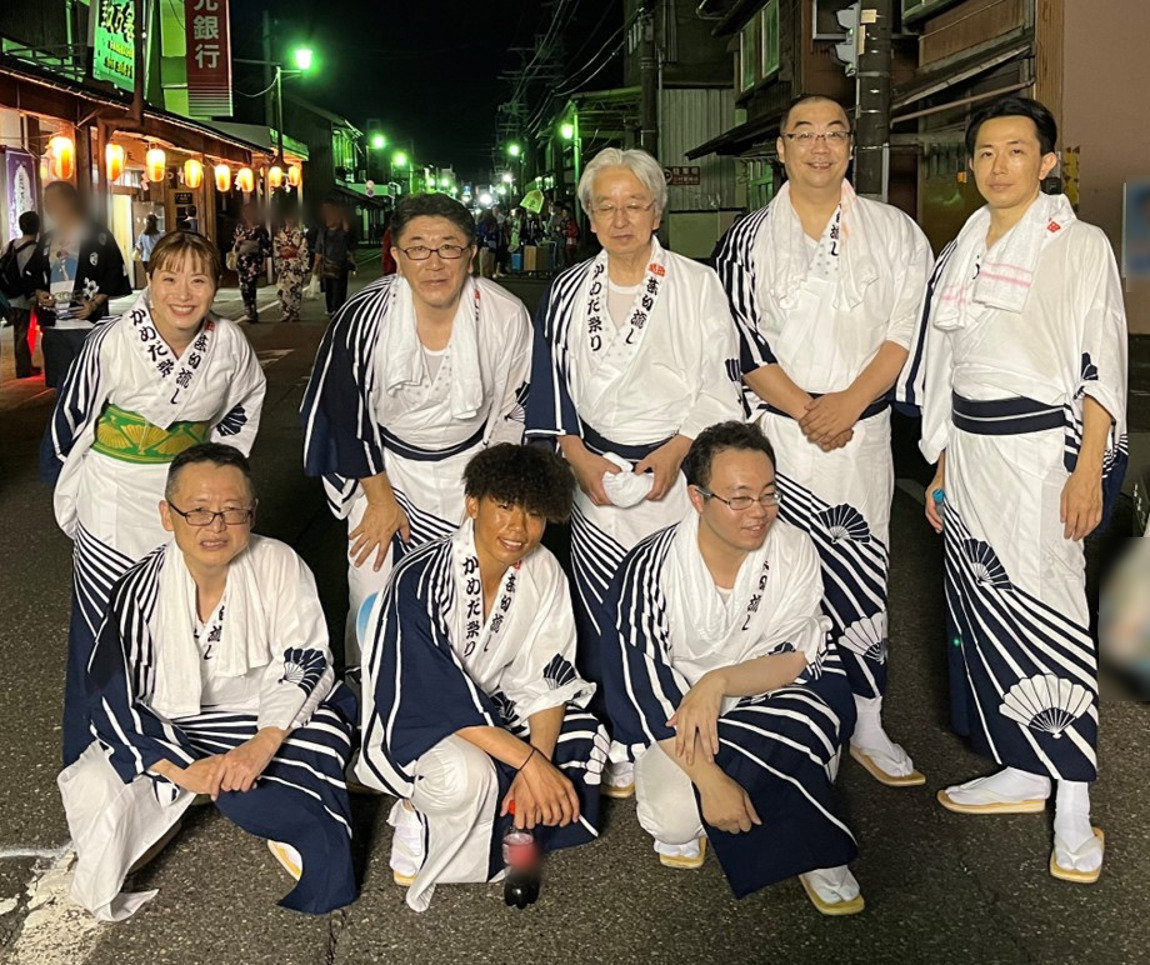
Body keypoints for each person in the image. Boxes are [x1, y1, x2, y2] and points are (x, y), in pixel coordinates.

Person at [900, 96, 1127, 883]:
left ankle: (1073, 807)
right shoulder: (962, 245)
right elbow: (946, 367)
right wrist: (941, 465)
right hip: (971, 455)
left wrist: (1087, 468)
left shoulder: (1079, 244)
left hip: (1041, 457)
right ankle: (1025, 767)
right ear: (972, 166)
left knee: (1053, 615)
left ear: (1048, 161)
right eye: (987, 153)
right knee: (987, 610)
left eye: (1017, 150)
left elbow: (1104, 360)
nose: (1000, 166)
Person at [713, 94, 932, 788]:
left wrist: (850, 403)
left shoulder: (896, 232)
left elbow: (905, 331)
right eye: (803, 134)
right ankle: (781, 714)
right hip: (780, 435)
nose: (819, 146)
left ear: (850, 148)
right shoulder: (744, 240)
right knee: (772, 574)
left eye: (834, 134)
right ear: (780, 148)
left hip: (860, 433)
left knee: (863, 573)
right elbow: (745, 346)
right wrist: (811, 410)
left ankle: (867, 718)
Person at [58, 444, 357, 921]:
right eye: (197, 511)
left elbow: (306, 658)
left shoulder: (278, 562)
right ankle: (182, 800)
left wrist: (262, 744)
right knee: (96, 788)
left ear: (252, 513)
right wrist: (179, 770)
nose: (215, 526)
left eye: (231, 510)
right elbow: (113, 697)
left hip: (260, 716)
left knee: (322, 732)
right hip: (173, 724)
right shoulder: (138, 588)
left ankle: (266, 811)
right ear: (167, 514)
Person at [525, 147, 743, 797]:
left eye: (634, 204)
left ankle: (679, 726)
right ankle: (620, 731)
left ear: (656, 211)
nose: (620, 219)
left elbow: (720, 379)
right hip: (594, 471)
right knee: (601, 607)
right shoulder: (567, 289)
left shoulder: (697, 284)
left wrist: (679, 450)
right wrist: (575, 454)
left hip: (674, 468)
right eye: (606, 207)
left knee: (676, 599)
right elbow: (549, 385)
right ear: (590, 218)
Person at [601, 422, 862, 914]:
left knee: (809, 725)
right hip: (679, 709)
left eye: (769, 494)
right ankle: (733, 803)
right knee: (674, 819)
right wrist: (711, 781)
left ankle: (812, 844)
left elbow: (797, 656)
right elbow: (642, 686)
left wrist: (717, 681)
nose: (758, 512)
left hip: (767, 690)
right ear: (697, 499)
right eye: (739, 498)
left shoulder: (794, 549)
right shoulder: (649, 568)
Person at [42, 230, 267, 765]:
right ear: (150, 280)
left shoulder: (229, 343)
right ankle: (96, 759)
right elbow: (70, 422)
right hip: (116, 496)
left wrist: (214, 479)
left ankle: (174, 754)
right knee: (103, 628)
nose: (183, 293)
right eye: (170, 278)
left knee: (182, 621)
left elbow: (244, 404)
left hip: (188, 500)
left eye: (199, 279)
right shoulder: (112, 340)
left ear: (216, 284)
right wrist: (77, 490)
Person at [357, 444, 607, 912]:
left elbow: (547, 674)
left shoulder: (543, 570)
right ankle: (414, 809)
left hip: (492, 704)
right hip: (414, 715)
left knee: (582, 734)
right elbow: (429, 693)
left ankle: (518, 831)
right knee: (465, 776)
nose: (518, 527)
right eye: (505, 506)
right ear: (472, 504)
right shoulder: (421, 576)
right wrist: (529, 763)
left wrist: (537, 762)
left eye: (534, 513)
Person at [301, 193, 531, 668]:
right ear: (397, 256)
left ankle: (466, 696)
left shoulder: (505, 315)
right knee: (373, 592)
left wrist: (488, 494)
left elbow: (516, 411)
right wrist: (380, 500)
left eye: (449, 247)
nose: (434, 262)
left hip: (473, 470)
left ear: (471, 253)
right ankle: (375, 693)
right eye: (419, 248)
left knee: (471, 596)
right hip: (383, 472)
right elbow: (341, 413)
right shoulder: (363, 317)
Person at [27, 180, 131, 388]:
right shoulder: (47, 239)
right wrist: (39, 293)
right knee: (61, 385)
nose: (48, 208)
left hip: (87, 323)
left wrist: (95, 303)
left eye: (52, 201)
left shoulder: (98, 235)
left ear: (69, 201)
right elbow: (33, 272)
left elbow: (114, 271)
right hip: (54, 325)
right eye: (46, 203)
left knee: (91, 383)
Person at [1, 210, 41, 378]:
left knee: (20, 332)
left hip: (11, 295)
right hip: (27, 296)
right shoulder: (36, 249)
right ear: (38, 227)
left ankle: (24, 366)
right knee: (24, 333)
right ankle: (24, 369)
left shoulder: (10, 245)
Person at [312, 198, 357, 317]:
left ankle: (338, 309)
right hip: (327, 264)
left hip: (340, 264)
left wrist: (341, 214)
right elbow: (319, 249)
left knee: (339, 289)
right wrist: (315, 267)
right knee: (329, 289)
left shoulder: (342, 230)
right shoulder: (323, 231)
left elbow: (346, 230)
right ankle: (331, 309)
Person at [232, 203, 271, 323]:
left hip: (254, 261)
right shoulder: (240, 228)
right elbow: (235, 244)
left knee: (251, 284)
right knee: (243, 286)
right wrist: (238, 242)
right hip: (242, 260)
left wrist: (259, 251)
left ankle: (252, 309)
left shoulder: (260, 230)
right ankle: (248, 308)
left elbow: (266, 246)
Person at [274, 206, 310, 323]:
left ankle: (295, 312)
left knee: (295, 290)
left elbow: (303, 250)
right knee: (282, 290)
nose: (289, 220)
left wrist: (292, 250)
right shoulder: (280, 234)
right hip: (284, 265)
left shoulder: (300, 234)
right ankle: (286, 312)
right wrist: (283, 252)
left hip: (295, 265)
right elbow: (277, 249)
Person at [477, 209, 499, 279]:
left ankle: (483, 276)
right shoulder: (494, 222)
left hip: (485, 244)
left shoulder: (482, 222)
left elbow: (479, 232)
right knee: (491, 261)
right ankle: (490, 275)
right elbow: (497, 234)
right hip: (493, 244)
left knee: (483, 262)